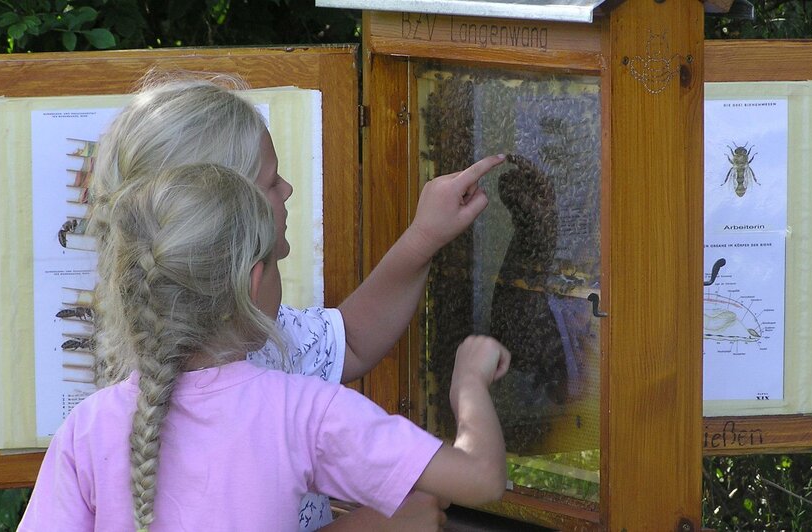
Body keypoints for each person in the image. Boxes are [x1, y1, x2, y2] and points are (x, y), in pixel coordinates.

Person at [85, 70, 507, 530]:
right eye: (270, 182)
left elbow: (352, 342)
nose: (286, 190)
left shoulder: (96, 421)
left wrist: (423, 237)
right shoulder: (300, 409)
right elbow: (479, 477)